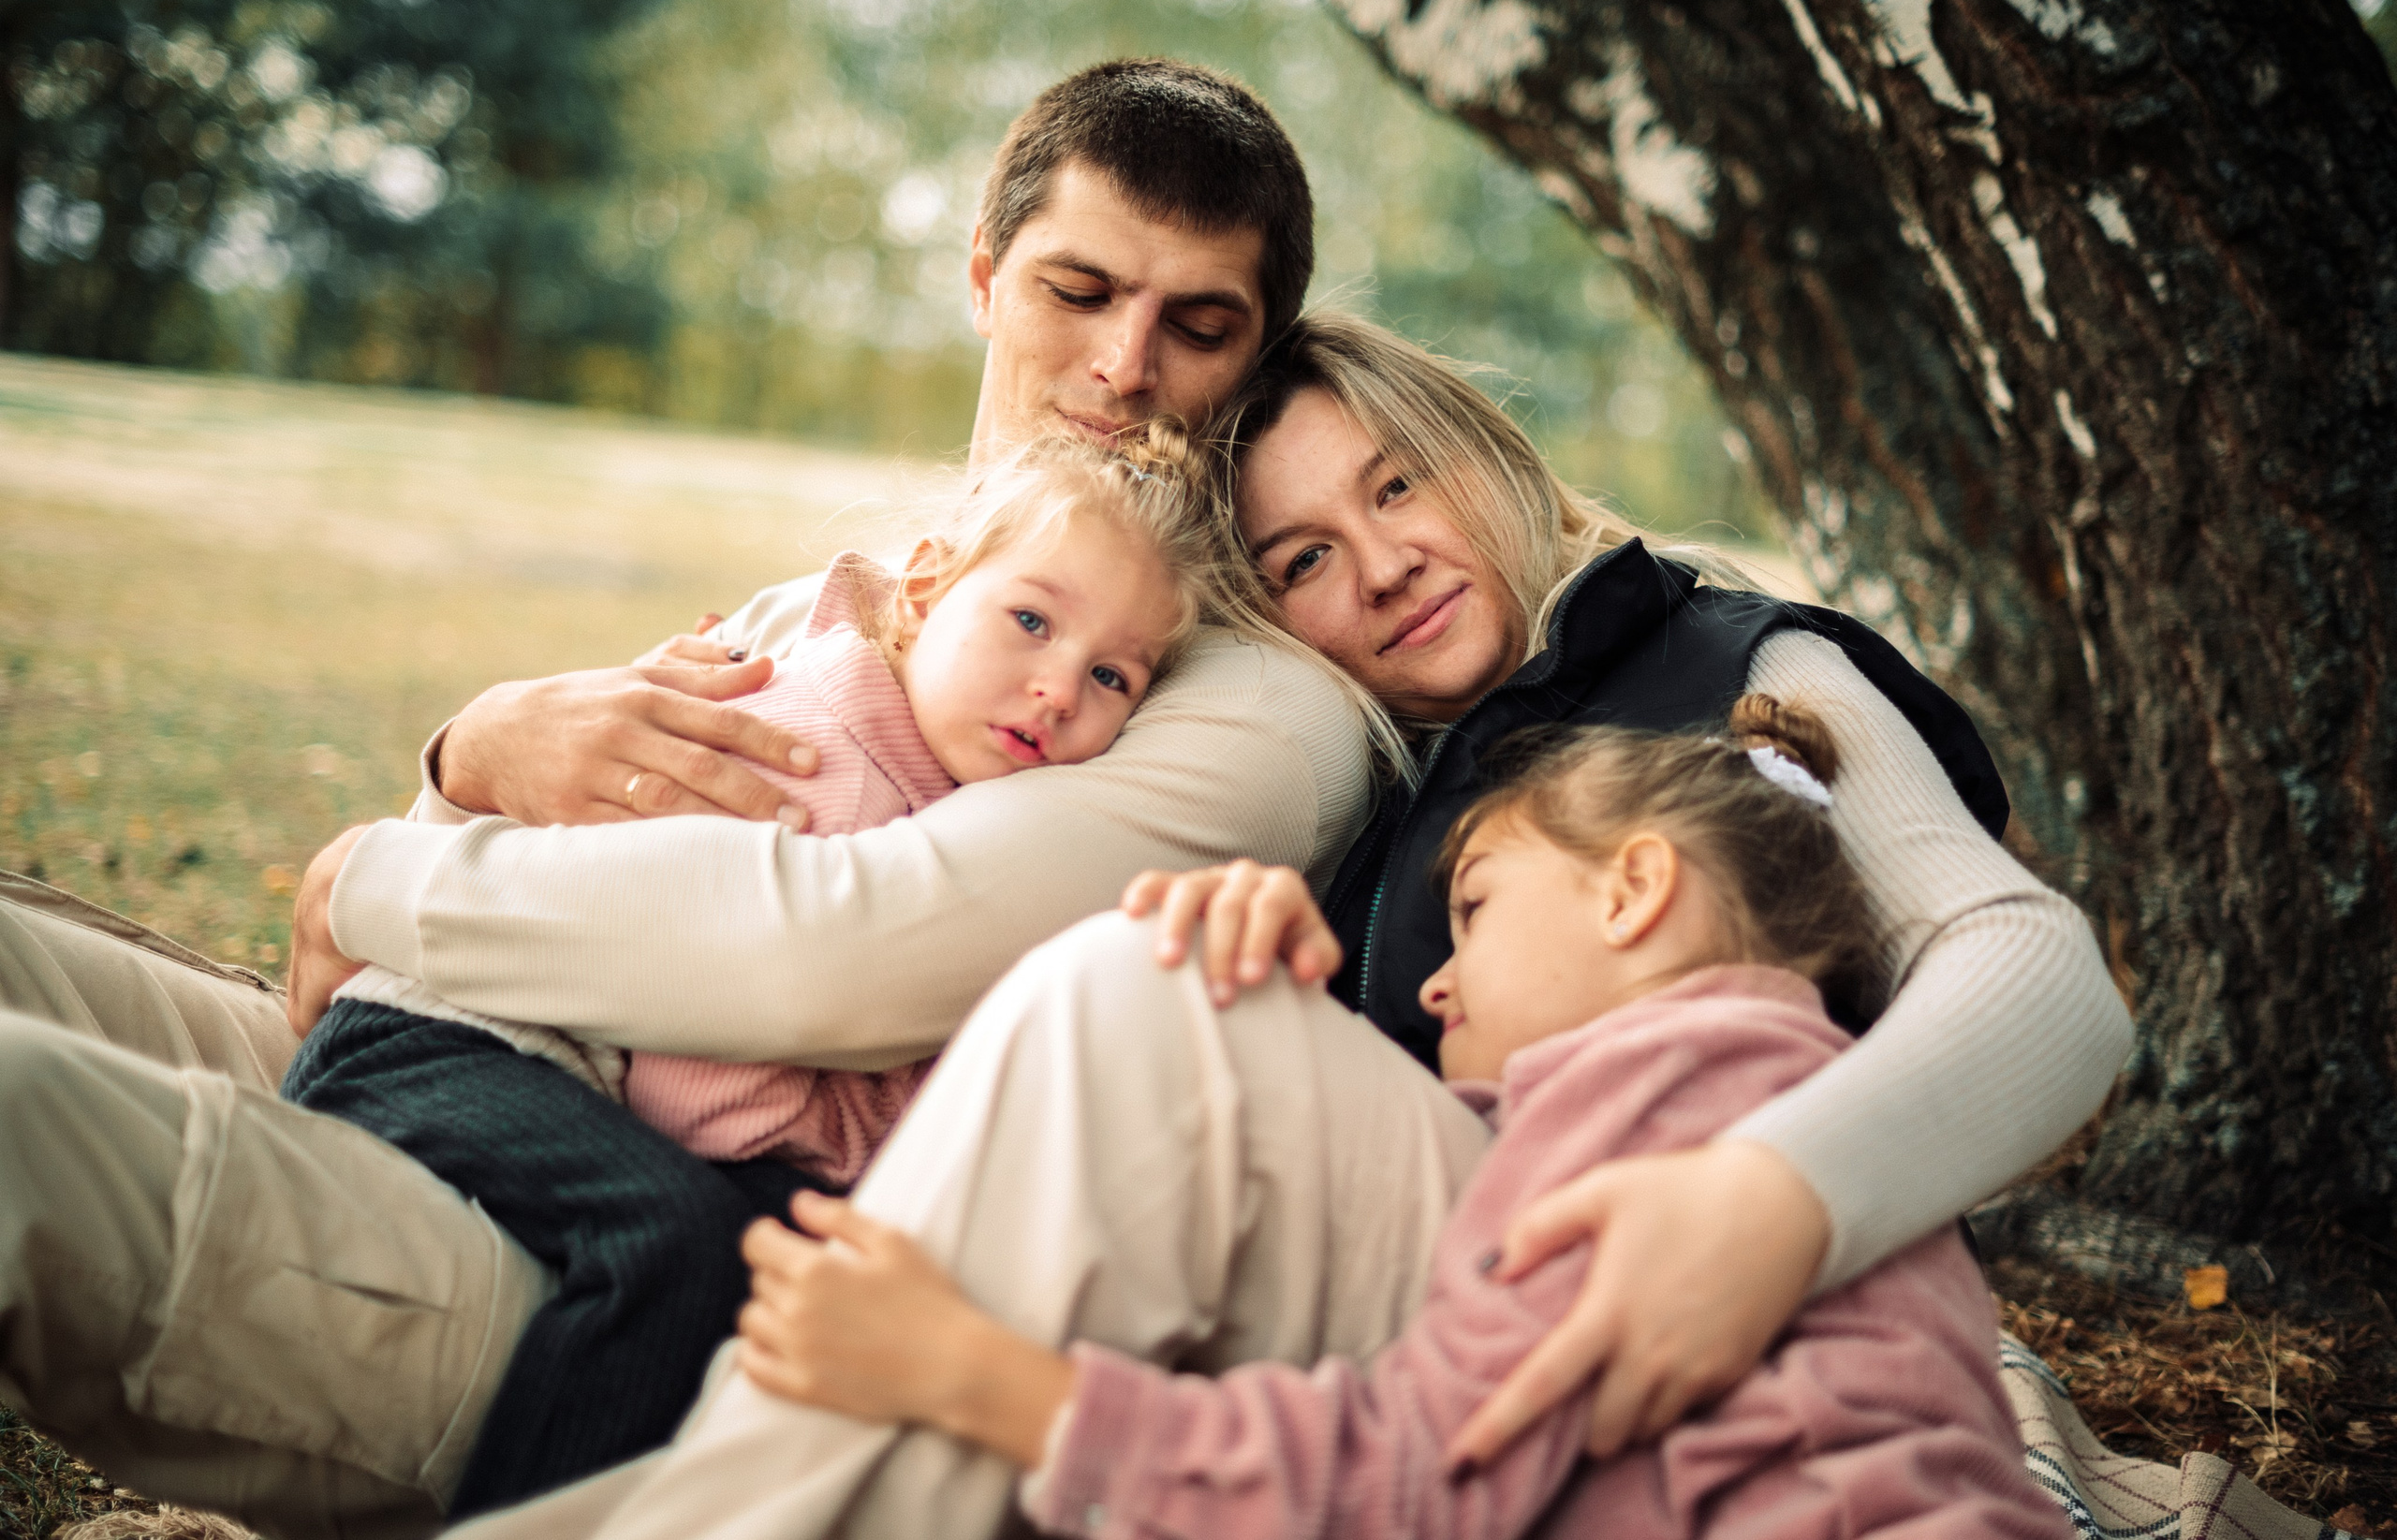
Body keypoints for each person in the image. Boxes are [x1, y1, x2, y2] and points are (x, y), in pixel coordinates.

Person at [430, 315, 2124, 1540]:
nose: (1380, 566)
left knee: (1119, 1006)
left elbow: (2041, 979)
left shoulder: (1735, 663)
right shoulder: (1329, 764)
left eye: (1402, 487)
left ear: (1491, 453)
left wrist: (1779, 1194)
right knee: (1140, 977)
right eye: (1305, 558)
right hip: (1401, 1319)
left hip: (1685, 1277)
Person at [0, 57, 1360, 1540]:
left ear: (1259, 357)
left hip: (618, 1263)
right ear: (985, 280)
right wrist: (469, 756)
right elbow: (560, 839)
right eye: (1078, 291)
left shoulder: (1244, 697)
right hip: (469, 1052)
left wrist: (367, 878)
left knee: (23, 1117)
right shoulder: (830, 604)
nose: (1123, 365)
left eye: (1198, 324)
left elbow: (831, 954)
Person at [720, 698, 2074, 1540]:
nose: (1431, 982)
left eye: (1475, 906)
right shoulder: (1762, 1081)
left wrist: (986, 1381)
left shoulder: (1658, 1089)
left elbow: (1417, 1485)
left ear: (1632, 893)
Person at [275, 427, 1217, 1518]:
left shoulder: (937, 786)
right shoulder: (821, 765)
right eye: (1030, 620)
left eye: (1111, 674)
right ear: (924, 590)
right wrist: (857, 1169)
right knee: (678, 1244)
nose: (1058, 687)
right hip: (431, 1039)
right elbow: (700, 1090)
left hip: (541, 1058)